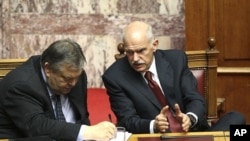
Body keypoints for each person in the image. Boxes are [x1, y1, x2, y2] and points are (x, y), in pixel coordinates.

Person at [102, 21, 246, 134]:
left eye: (141, 51)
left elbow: (195, 98)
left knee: (238, 120)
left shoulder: (176, 60)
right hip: (157, 137)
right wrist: (154, 125)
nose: (135, 58)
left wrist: (189, 118)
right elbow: (127, 120)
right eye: (129, 52)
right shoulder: (114, 77)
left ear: (154, 45)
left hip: (192, 134)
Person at [0, 39, 116, 141]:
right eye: (67, 78)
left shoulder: (76, 76)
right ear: (48, 69)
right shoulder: (21, 85)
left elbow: (82, 118)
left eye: (76, 77)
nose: (73, 83)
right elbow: (37, 127)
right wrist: (86, 132)